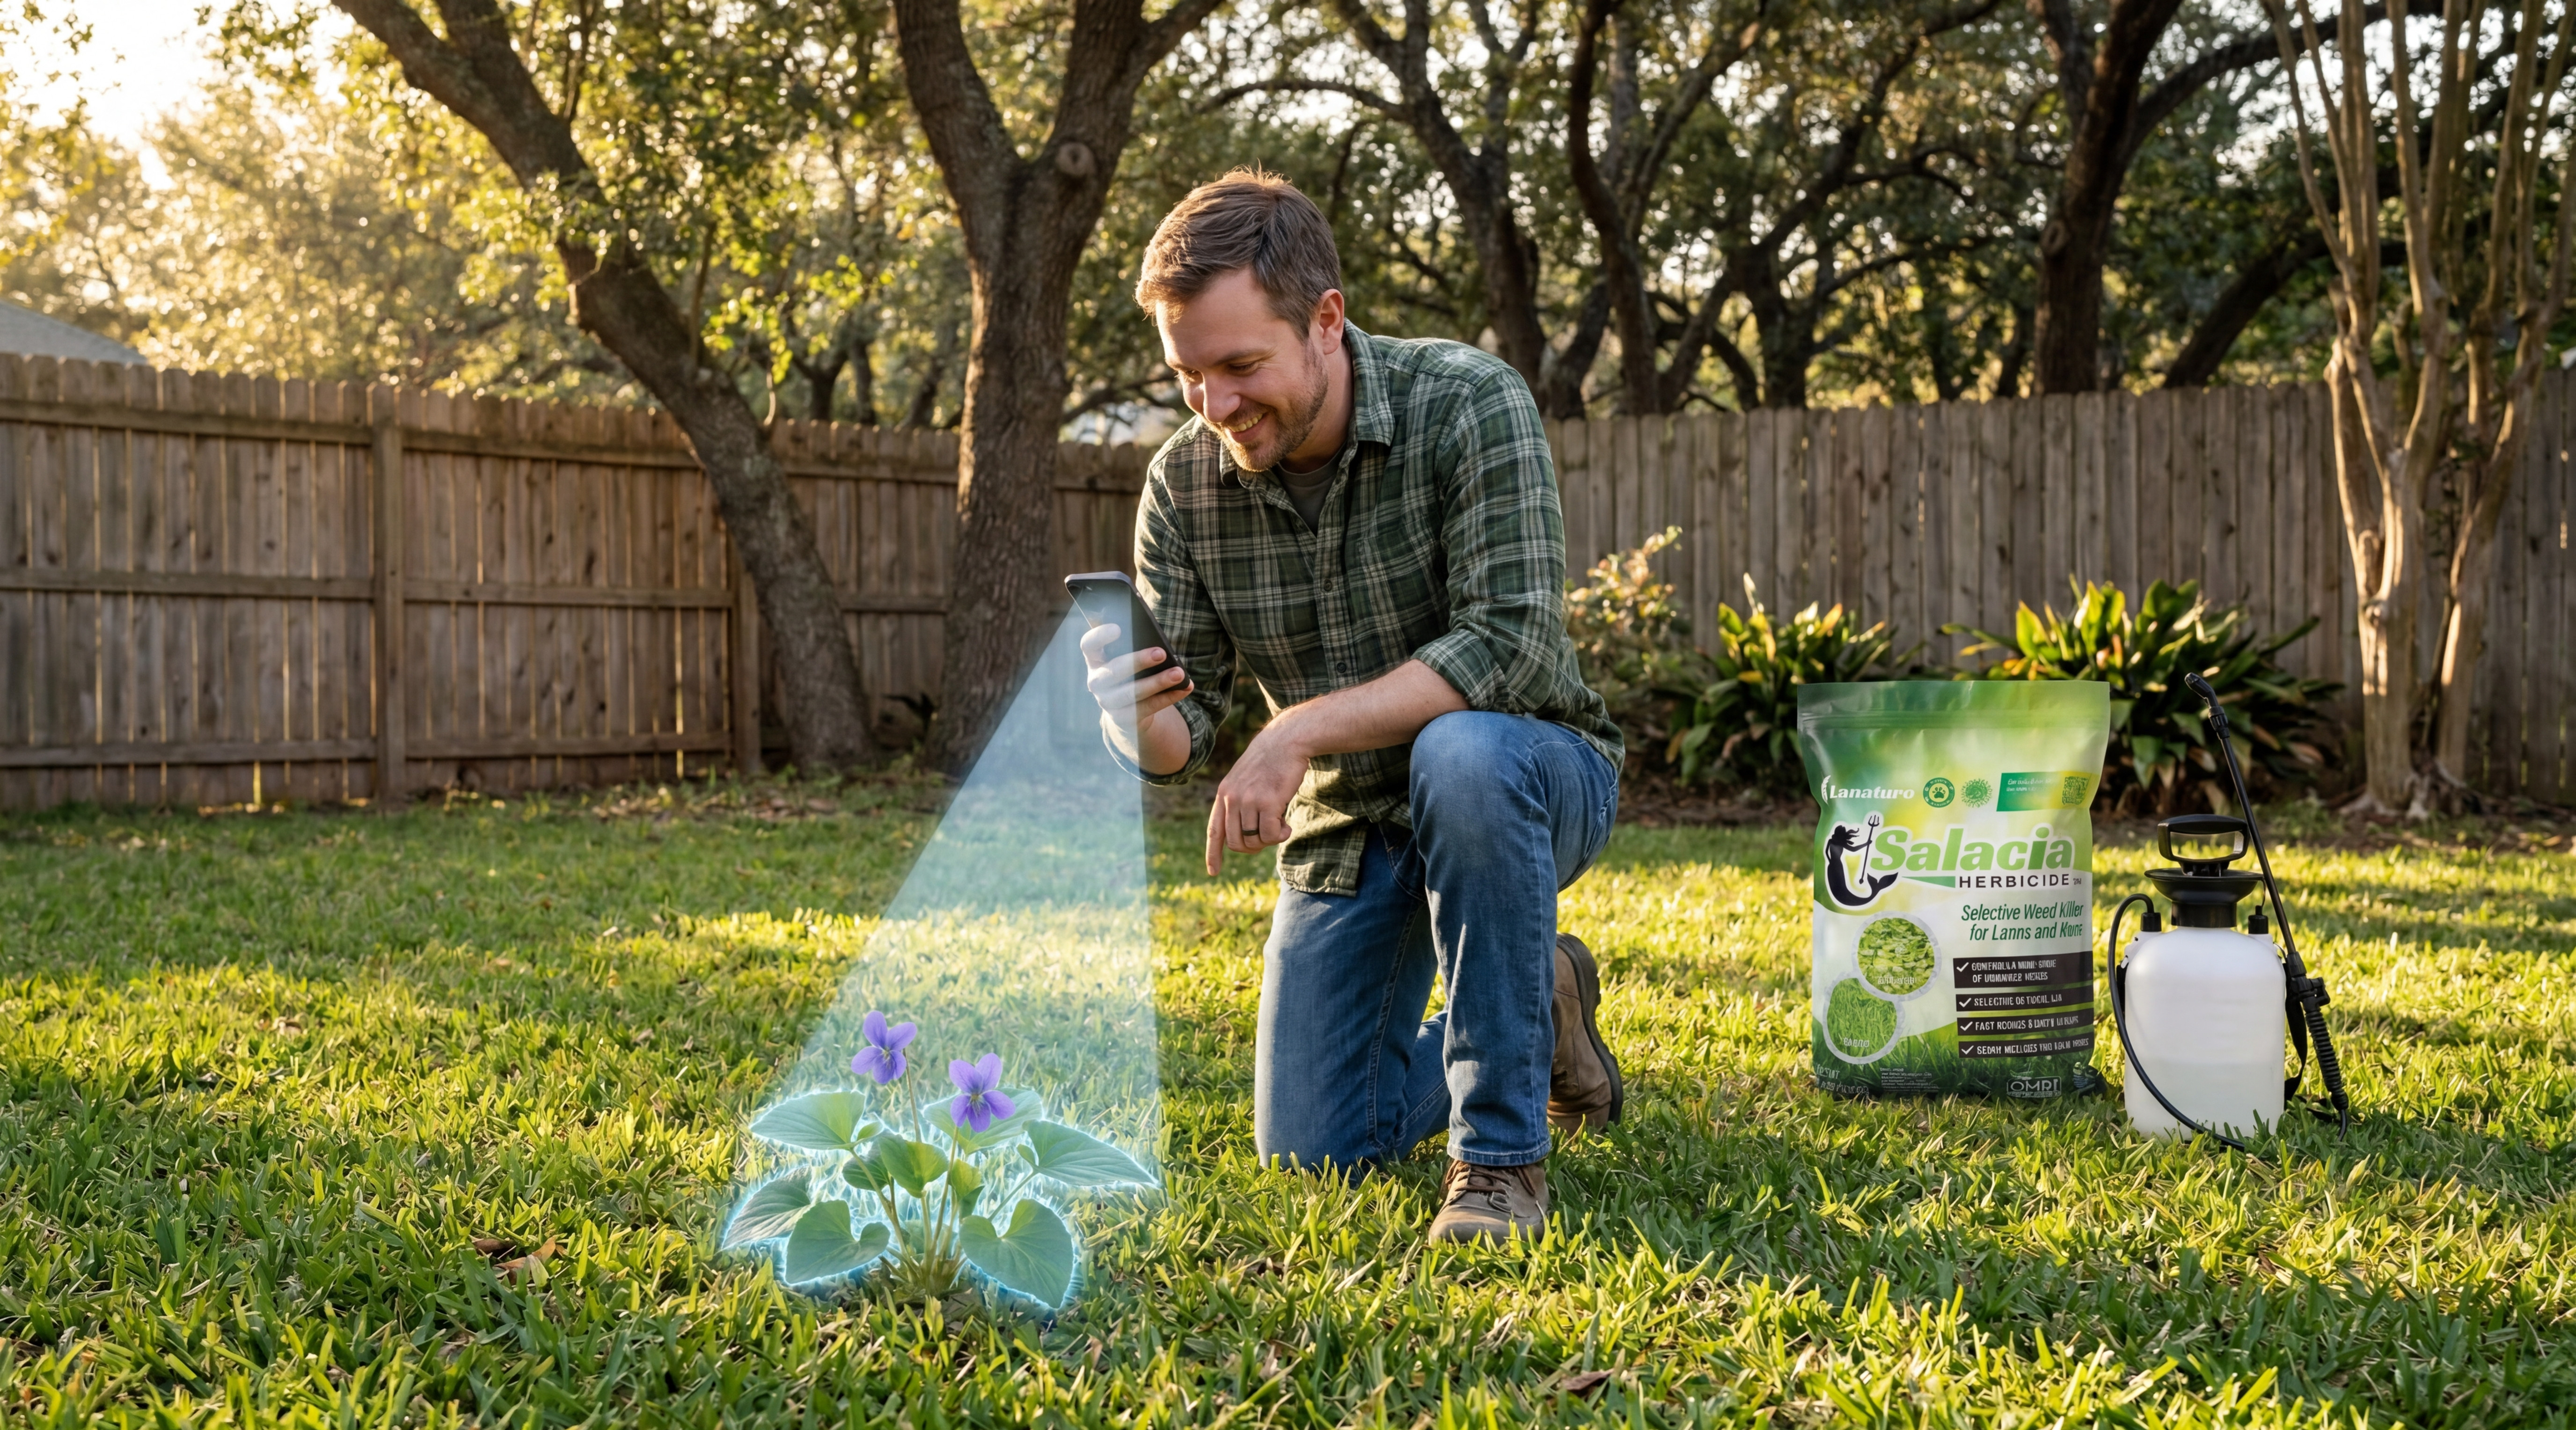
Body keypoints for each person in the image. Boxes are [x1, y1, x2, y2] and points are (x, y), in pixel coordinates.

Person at [1081, 169, 1625, 1245]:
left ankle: (1500, 1163)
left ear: (1326, 320)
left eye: (1241, 366)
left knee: (1461, 753)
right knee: (1314, 1146)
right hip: (1354, 827)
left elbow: (1510, 646)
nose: (1215, 405)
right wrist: (1128, 713)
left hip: (1526, 774)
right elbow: (1183, 732)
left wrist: (1298, 730)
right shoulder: (1184, 485)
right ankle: (1541, 992)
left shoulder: (1468, 400)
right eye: (1189, 375)